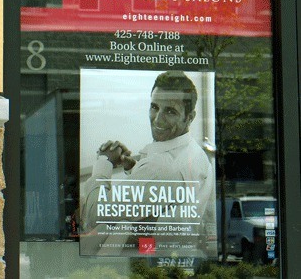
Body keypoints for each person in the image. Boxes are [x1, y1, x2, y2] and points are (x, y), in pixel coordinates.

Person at [79, 71, 215, 255]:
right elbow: (163, 190)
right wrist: (132, 167)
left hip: (147, 259)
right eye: (154, 107)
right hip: (174, 255)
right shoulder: (196, 153)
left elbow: (94, 215)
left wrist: (104, 162)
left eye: (170, 111)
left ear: (189, 117)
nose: (158, 119)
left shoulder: (161, 167)